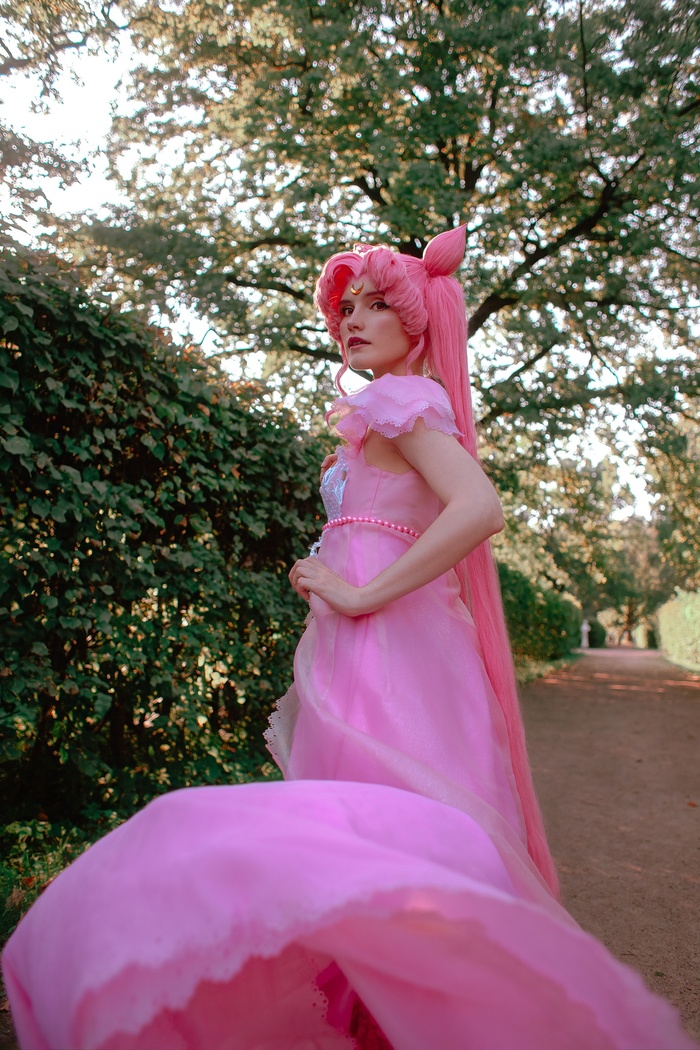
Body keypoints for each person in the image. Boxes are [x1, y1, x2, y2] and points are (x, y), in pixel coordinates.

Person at [2, 230, 695, 1050]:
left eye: (376, 306)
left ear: (416, 321)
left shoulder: (403, 401)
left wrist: (360, 591)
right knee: (363, 844)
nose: (352, 320)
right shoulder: (383, 412)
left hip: (393, 653)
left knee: (389, 835)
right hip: (360, 649)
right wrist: (329, 568)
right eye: (347, 308)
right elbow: (386, 521)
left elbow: (480, 509)